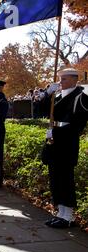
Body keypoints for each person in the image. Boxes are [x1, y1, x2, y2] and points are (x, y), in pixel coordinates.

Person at [42, 68, 88, 229]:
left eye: (64, 79)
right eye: (60, 79)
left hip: (67, 143)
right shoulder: (58, 95)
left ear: (75, 80)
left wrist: (56, 131)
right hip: (54, 140)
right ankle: (60, 213)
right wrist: (47, 94)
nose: (60, 82)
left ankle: (68, 216)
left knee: (65, 179)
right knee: (55, 178)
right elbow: (40, 110)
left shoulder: (81, 97)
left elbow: (78, 125)